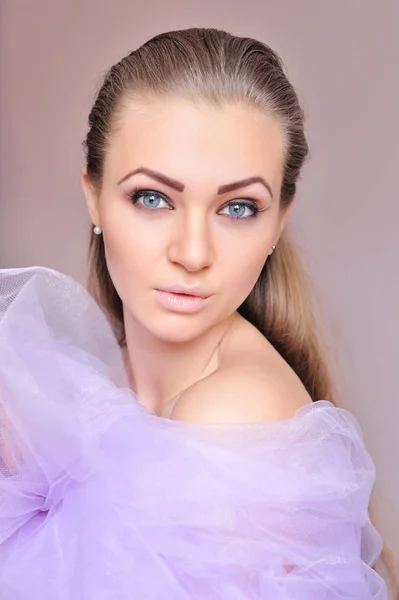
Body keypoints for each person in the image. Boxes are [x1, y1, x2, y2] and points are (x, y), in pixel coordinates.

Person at [0, 27, 391, 598]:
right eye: (153, 198)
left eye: (237, 207)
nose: (193, 253)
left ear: (280, 220)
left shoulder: (230, 418)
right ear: (94, 195)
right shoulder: (102, 387)